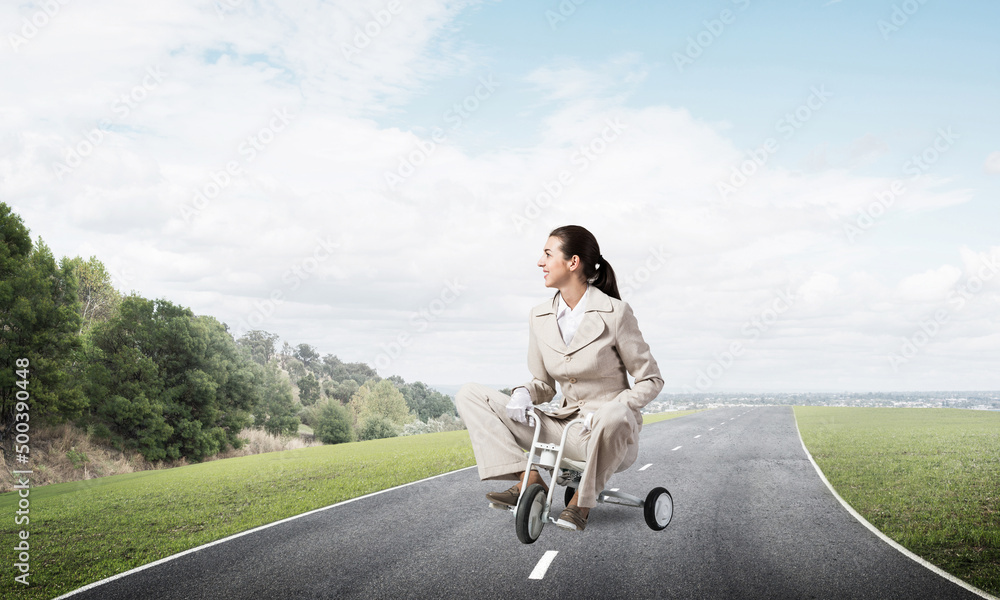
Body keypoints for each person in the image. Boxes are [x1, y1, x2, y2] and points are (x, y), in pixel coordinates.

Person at [455, 225, 663, 532]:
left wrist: (612, 408)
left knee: (617, 412)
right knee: (470, 394)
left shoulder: (615, 314)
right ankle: (529, 480)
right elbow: (542, 384)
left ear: (573, 262)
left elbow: (651, 380)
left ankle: (581, 503)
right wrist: (523, 393)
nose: (540, 262)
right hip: (563, 427)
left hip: (606, 434)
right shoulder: (539, 316)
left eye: (548, 254)